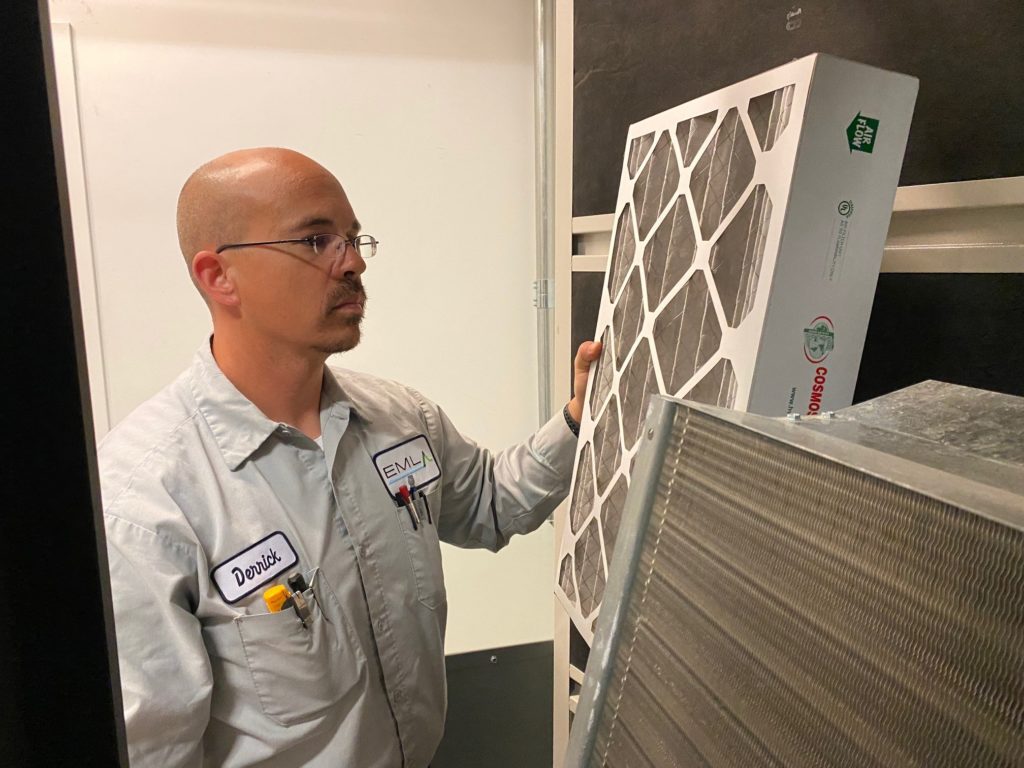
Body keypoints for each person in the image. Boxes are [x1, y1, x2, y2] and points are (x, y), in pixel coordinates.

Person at [99, 147, 600, 767]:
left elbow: (490, 505)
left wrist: (579, 418)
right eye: (316, 240)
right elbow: (155, 751)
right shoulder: (145, 501)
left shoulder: (399, 420)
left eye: (354, 238)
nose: (354, 263)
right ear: (217, 276)